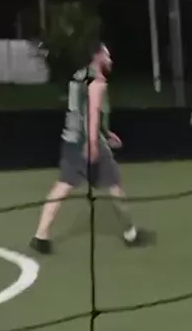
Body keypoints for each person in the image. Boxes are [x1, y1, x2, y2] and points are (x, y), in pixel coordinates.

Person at [30, 44, 152, 254]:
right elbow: (92, 112)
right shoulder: (97, 81)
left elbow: (79, 109)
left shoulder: (78, 77)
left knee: (62, 186)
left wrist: (106, 132)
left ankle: (41, 236)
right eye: (107, 55)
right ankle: (131, 234)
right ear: (97, 56)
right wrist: (94, 142)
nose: (110, 60)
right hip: (88, 142)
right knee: (115, 187)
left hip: (70, 139)